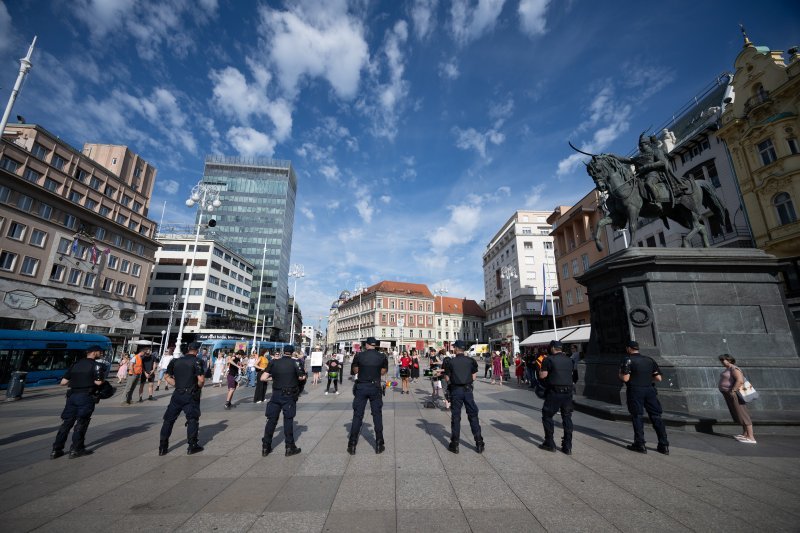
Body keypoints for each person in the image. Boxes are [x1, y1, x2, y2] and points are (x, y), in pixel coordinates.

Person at [50, 345, 106, 459]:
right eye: (100, 352)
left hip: (72, 397)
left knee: (66, 423)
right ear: (94, 352)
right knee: (81, 422)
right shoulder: (96, 365)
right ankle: (76, 449)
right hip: (86, 397)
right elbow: (99, 382)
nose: (101, 354)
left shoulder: (75, 364)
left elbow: (63, 382)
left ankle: (56, 450)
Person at [619, 340, 669, 455]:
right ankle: (664, 444)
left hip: (635, 390)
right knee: (656, 416)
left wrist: (620, 374)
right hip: (650, 390)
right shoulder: (649, 360)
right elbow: (658, 378)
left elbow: (626, 378)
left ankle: (640, 444)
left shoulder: (628, 359)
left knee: (637, 415)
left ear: (628, 349)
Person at [158, 341, 205, 456]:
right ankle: (192, 446)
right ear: (197, 350)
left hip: (177, 394)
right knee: (192, 419)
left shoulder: (175, 361)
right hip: (190, 395)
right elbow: (201, 380)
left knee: (168, 420)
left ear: (188, 349)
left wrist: (177, 385)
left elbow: (166, 377)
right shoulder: (197, 361)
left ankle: (162, 447)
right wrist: (197, 387)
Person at [260, 345, 305, 456]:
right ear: (292, 352)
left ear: (283, 352)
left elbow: (263, 378)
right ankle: (289, 447)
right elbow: (301, 377)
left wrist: (274, 377)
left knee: (271, 420)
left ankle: (266, 446)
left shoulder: (274, 362)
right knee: (288, 420)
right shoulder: (296, 362)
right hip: (289, 395)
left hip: (276, 395)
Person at [347, 337, 388, 455]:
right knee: (377, 415)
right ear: (375, 345)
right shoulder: (382, 357)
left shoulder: (359, 356)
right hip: (375, 387)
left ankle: (352, 444)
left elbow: (355, 371)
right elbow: (383, 372)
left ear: (366, 345)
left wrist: (363, 368)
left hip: (361, 387)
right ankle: (379, 443)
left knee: (358, 415)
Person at [443, 340, 484, 454]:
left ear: (456, 349)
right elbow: (474, 377)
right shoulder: (471, 361)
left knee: (456, 417)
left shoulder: (450, 362)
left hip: (456, 390)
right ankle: (479, 443)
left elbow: (447, 378)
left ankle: (455, 444)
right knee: (473, 416)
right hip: (467, 391)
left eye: (454, 348)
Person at [537, 340, 574, 455]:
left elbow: (543, 375)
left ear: (553, 348)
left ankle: (550, 443)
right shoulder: (569, 360)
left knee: (547, 415)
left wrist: (540, 371)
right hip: (568, 393)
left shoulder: (548, 359)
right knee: (567, 417)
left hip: (555, 392)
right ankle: (567, 446)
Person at [718, 354, 756, 444]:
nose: (722, 362)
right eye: (721, 360)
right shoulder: (728, 369)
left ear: (729, 360)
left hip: (734, 394)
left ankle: (751, 437)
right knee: (738, 414)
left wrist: (733, 391)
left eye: (724, 360)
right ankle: (745, 434)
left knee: (743, 414)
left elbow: (740, 380)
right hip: (728, 393)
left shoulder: (734, 368)